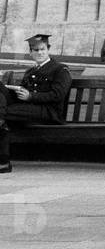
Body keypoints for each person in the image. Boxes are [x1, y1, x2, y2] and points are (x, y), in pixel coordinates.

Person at [0, 34, 73, 174]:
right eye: (36, 50)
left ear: (48, 49)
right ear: (30, 52)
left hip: (49, 111)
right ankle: (2, 162)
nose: (40, 53)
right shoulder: (30, 71)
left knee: (2, 114)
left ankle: (3, 162)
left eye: (43, 49)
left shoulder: (60, 69)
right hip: (29, 108)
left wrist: (31, 96)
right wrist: (17, 92)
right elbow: (24, 92)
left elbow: (58, 95)